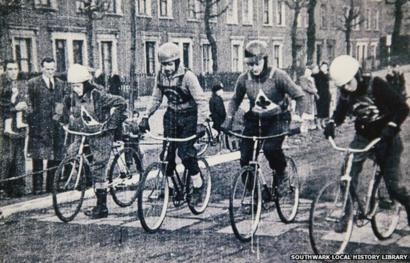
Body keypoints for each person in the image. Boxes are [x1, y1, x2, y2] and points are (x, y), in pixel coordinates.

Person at [324, 55, 410, 229]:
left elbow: (402, 107)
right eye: (343, 86)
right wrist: (332, 123)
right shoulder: (346, 93)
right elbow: (339, 113)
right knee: (346, 174)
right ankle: (347, 215)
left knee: (395, 186)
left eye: (349, 83)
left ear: (358, 75)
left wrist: (391, 127)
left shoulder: (376, 85)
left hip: (387, 139)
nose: (347, 88)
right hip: (363, 138)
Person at [221, 40, 305, 199]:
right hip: (255, 119)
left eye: (257, 64)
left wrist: (297, 119)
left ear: (265, 60)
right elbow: (235, 100)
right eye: (250, 65)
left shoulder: (278, 76)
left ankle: (282, 174)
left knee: (270, 149)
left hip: (277, 119)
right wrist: (229, 118)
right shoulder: (244, 78)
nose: (253, 68)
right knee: (245, 157)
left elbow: (300, 97)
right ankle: (257, 192)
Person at [139, 42, 209, 197]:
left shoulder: (188, 77)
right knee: (166, 155)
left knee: (185, 153)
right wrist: (146, 116)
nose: (167, 68)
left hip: (189, 117)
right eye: (163, 65)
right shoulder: (160, 76)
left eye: (170, 64)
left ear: (177, 62)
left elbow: (201, 101)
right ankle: (169, 187)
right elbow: (156, 98)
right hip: (171, 116)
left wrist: (201, 123)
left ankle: (198, 185)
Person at [58, 64, 127, 219]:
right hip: (84, 132)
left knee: (99, 166)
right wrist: (63, 122)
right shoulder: (71, 96)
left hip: (101, 133)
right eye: (72, 86)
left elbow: (121, 102)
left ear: (85, 84)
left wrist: (111, 124)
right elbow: (66, 109)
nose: (75, 89)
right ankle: (87, 178)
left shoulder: (98, 95)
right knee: (71, 153)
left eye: (77, 86)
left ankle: (102, 207)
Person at [26, 57, 66, 195]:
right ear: (42, 68)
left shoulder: (60, 84)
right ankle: (37, 187)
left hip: (55, 126)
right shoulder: (33, 83)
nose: (50, 72)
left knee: (55, 155)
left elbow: (62, 101)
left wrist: (58, 116)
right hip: (39, 126)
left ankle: (52, 185)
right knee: (38, 156)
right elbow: (29, 104)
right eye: (47, 69)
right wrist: (32, 121)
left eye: (52, 69)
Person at [0, 60, 28, 198]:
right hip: (4, 126)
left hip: (19, 126)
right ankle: (3, 187)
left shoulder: (22, 84)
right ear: (5, 70)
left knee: (18, 157)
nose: (13, 72)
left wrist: (26, 108)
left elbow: (28, 102)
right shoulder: (1, 84)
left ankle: (18, 186)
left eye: (16, 68)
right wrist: (13, 108)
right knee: (6, 157)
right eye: (10, 69)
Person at [299, 65, 319, 130]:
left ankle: (308, 127)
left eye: (309, 72)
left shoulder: (312, 79)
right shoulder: (302, 78)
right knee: (306, 113)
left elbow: (314, 86)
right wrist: (313, 91)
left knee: (311, 112)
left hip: (311, 97)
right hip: (306, 96)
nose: (308, 73)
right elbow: (305, 87)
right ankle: (303, 128)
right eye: (306, 72)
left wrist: (315, 92)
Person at [313, 62, 331, 128]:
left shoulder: (327, 75)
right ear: (320, 68)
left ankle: (323, 122)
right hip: (320, 94)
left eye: (325, 67)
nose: (324, 68)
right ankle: (318, 123)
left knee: (326, 109)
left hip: (326, 94)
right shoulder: (317, 75)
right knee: (320, 109)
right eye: (323, 67)